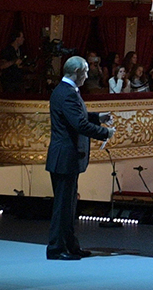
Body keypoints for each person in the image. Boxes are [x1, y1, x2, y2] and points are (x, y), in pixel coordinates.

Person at [45, 55, 113, 260]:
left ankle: (71, 245)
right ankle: (56, 248)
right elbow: (79, 125)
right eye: (85, 72)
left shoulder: (66, 91)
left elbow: (76, 116)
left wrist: (97, 117)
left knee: (69, 206)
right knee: (63, 207)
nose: (87, 75)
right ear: (76, 73)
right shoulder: (67, 94)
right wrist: (105, 132)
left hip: (66, 157)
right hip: (65, 157)